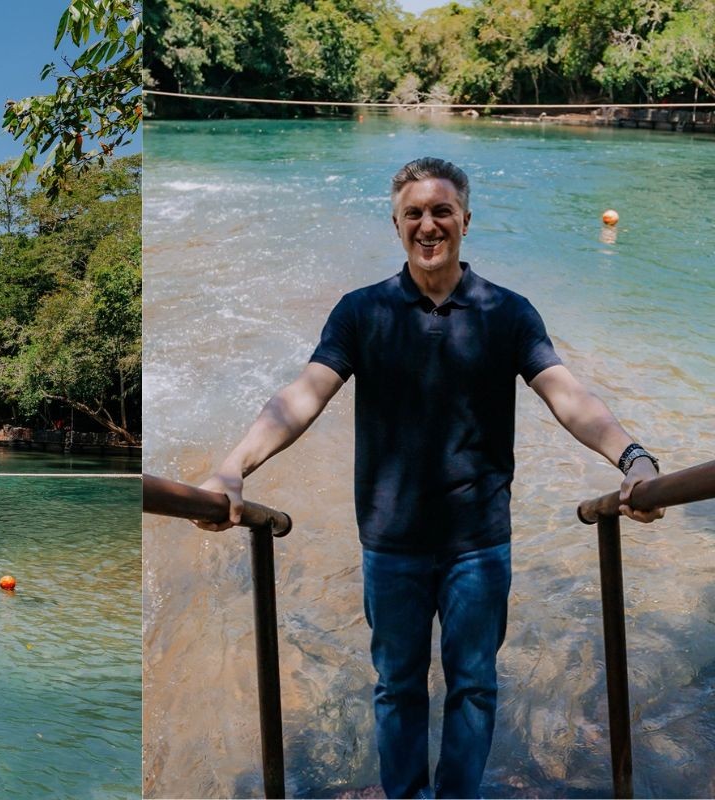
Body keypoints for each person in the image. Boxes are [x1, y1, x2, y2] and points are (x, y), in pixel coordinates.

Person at [194, 157, 664, 799]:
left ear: (466, 220)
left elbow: (568, 396)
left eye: (441, 210)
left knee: (473, 686)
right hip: (391, 542)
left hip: (479, 541)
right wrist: (232, 469)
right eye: (413, 212)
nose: (428, 224)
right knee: (397, 687)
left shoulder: (507, 312)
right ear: (396, 225)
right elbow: (302, 396)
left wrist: (632, 458)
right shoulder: (363, 312)